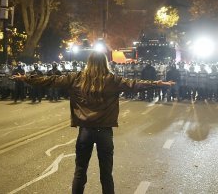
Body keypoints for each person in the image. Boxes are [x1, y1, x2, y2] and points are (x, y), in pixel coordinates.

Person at [13, 51, 174, 194]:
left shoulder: (76, 78)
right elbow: (134, 84)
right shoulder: (112, 80)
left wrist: (26, 78)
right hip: (104, 132)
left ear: (88, 63)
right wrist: (158, 84)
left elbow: (50, 81)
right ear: (105, 63)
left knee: (80, 171)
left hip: (85, 132)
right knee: (106, 174)